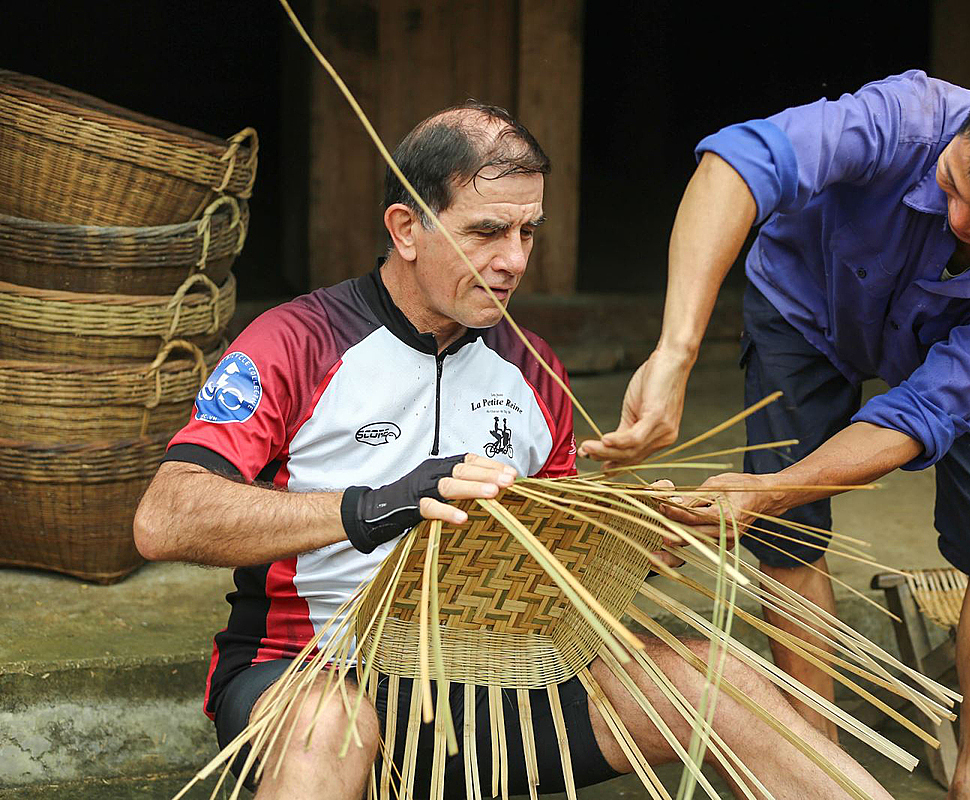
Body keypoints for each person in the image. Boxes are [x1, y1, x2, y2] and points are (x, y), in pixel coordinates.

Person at [133, 102, 892, 800]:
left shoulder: (533, 370)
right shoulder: (295, 340)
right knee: (328, 728)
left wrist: (622, 542)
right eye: (486, 232)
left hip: (491, 687)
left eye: (528, 232)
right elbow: (164, 520)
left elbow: (549, 580)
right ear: (405, 229)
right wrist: (378, 506)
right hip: (312, 671)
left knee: (715, 675)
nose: (514, 260)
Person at [578, 52, 970, 800]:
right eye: (951, 185)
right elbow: (736, 163)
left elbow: (919, 413)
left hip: (957, 347)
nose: (958, 221)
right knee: (787, 532)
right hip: (807, 306)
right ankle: (818, 757)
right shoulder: (904, 116)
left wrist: (769, 487)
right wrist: (676, 350)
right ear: (967, 124)